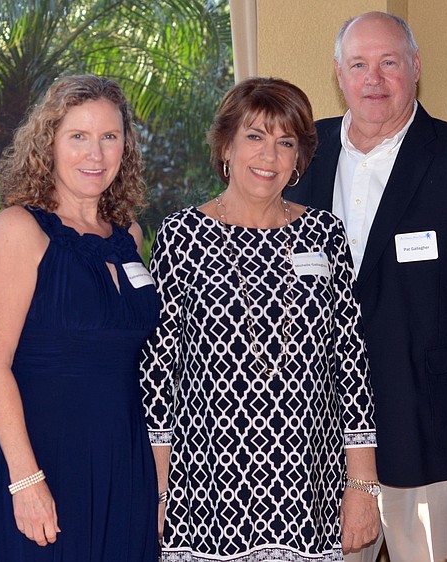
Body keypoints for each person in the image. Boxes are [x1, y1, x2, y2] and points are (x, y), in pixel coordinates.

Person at [286, 12, 447, 561]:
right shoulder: (296, 157)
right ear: (339, 74)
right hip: (313, 445)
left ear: (415, 68)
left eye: (389, 63)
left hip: (437, 441)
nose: (374, 79)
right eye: (359, 65)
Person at [141, 76, 379, 561]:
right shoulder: (180, 235)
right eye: (255, 136)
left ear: (299, 159)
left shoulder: (325, 234)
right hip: (205, 488)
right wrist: (158, 489)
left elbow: (350, 365)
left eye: (285, 142)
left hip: (306, 485)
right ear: (226, 144)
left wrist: (362, 486)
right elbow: (158, 371)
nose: (269, 157)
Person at [0, 74, 159, 561]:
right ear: (48, 143)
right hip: (44, 458)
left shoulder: (129, 236)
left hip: (124, 456)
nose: (94, 154)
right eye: (78, 136)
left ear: (125, 146)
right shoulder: (17, 229)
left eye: (109, 137)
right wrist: (26, 478)